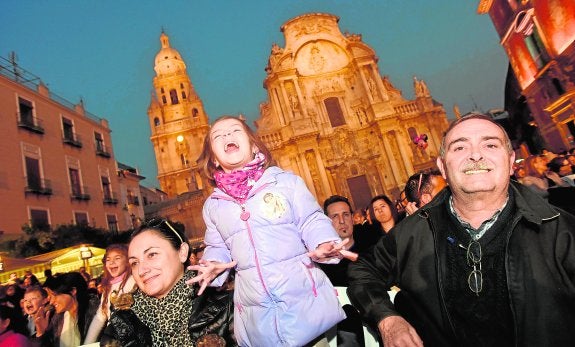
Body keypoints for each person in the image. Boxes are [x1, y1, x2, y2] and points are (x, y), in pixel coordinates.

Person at [347, 113, 575, 346]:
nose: (476, 155)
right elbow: (362, 271)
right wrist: (388, 319)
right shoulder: (412, 233)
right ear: (442, 168)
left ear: (510, 161)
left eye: (490, 144)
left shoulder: (561, 231)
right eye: (460, 148)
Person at [189, 115, 349, 346]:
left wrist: (323, 242)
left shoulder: (285, 183)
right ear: (213, 158)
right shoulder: (214, 205)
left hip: (302, 306)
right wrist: (212, 266)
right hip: (258, 318)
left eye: (235, 131)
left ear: (254, 146)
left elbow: (311, 220)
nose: (227, 136)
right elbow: (218, 247)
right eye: (218, 136)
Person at [101, 218, 235, 346]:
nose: (141, 270)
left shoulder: (225, 308)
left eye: (152, 255)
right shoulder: (121, 324)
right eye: (134, 263)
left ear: (182, 252)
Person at [84, 244, 136, 344]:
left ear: (127, 261)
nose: (111, 262)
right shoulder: (108, 286)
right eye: (108, 259)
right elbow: (100, 316)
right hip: (112, 340)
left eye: (117, 258)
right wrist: (87, 344)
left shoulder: (134, 281)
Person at [35, 271, 99, 346]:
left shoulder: (96, 313)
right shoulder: (57, 319)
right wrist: (41, 333)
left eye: (54, 295)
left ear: (73, 291)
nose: (51, 301)